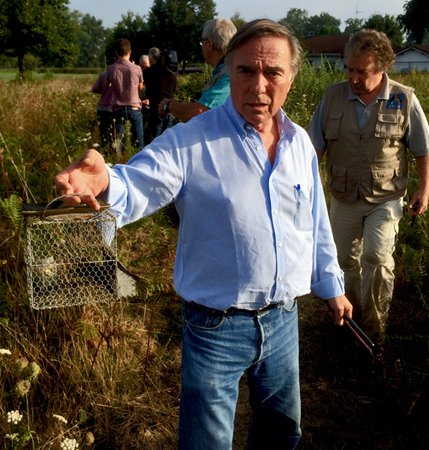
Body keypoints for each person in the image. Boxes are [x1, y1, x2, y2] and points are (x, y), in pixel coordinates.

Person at [55, 19, 352, 449]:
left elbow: (315, 221)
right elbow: (140, 182)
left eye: (274, 73)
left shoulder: (299, 143)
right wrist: (105, 182)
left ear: (292, 76)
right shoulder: (192, 141)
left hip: (283, 319)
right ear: (228, 71)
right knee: (206, 443)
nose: (260, 87)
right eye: (247, 71)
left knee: (282, 431)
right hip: (216, 327)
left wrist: (331, 284)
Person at [307, 29, 429, 341]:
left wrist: (424, 188)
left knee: (376, 258)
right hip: (344, 196)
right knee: (343, 261)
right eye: (349, 69)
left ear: (382, 68)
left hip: (386, 198)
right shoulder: (332, 97)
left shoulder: (404, 99)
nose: (353, 77)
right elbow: (314, 147)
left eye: (361, 71)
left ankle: (375, 328)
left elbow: (423, 147)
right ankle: (347, 322)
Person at [158, 18, 237, 122]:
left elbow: (200, 112)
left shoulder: (230, 73)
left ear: (209, 45)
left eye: (202, 42)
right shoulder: (229, 68)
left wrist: (168, 105)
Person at [107, 38, 145, 151]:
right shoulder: (137, 68)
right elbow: (141, 88)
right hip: (134, 106)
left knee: (119, 142)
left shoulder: (111, 69)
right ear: (130, 52)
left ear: (116, 53)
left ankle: (120, 160)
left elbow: (108, 85)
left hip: (118, 107)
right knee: (139, 141)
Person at [143, 49, 177, 143]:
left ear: (150, 58)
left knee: (154, 139)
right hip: (170, 108)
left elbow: (146, 90)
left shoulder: (149, 73)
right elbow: (174, 90)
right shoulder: (172, 74)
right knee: (168, 139)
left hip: (156, 108)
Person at [91, 68, 114, 150]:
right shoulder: (123, 74)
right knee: (116, 134)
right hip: (115, 108)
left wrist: (104, 90)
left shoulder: (104, 74)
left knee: (104, 134)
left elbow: (94, 89)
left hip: (103, 107)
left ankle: (105, 150)